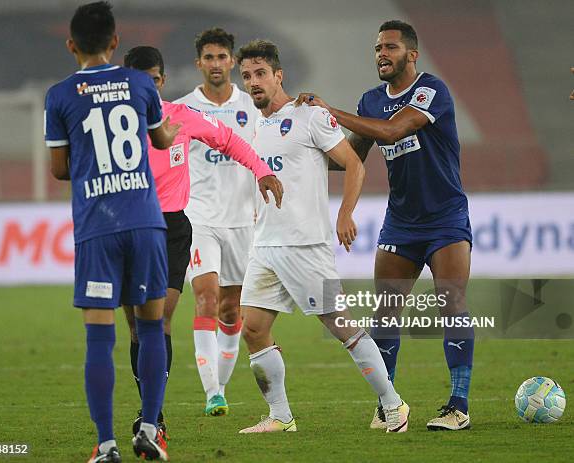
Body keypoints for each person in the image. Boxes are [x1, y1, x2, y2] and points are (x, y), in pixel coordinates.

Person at [297, 20, 474, 431]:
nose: (381, 54)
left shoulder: (432, 91)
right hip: (401, 222)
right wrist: (297, 151)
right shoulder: (371, 101)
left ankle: (458, 406)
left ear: (411, 54)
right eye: (378, 47)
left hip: (445, 217)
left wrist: (330, 111)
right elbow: (349, 158)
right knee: (386, 311)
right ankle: (389, 404)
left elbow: (395, 130)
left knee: (452, 306)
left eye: (390, 47)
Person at [235, 39, 409, 434]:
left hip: (305, 246)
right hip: (265, 246)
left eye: (261, 73)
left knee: (340, 324)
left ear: (278, 75)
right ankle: (280, 416)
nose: (253, 82)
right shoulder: (254, 123)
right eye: (246, 76)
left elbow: (354, 165)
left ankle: (393, 405)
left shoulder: (309, 115)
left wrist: (345, 213)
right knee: (253, 329)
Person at [121, 45, 283, 432]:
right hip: (126, 228)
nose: (147, 87)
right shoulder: (111, 127)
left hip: (172, 227)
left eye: (153, 80)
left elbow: (229, 140)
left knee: (158, 322)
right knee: (134, 329)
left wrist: (262, 170)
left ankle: (152, 417)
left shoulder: (182, 116)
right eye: (138, 81)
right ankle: (152, 410)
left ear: (161, 81)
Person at [44, 2, 179, 461]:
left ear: (70, 45)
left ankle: (106, 446)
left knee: (99, 336)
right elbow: (161, 140)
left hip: (97, 227)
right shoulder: (140, 82)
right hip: (145, 220)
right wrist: (171, 128)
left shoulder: (59, 95)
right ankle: (149, 427)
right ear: (115, 43)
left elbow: (60, 169)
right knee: (151, 326)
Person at [173, 28, 264, 416]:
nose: (215, 64)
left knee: (231, 311)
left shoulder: (253, 107)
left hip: (243, 220)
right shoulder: (181, 108)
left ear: (231, 61)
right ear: (199, 63)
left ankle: (220, 386)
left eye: (221, 57)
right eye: (208, 58)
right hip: (199, 218)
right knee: (206, 299)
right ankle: (212, 391)